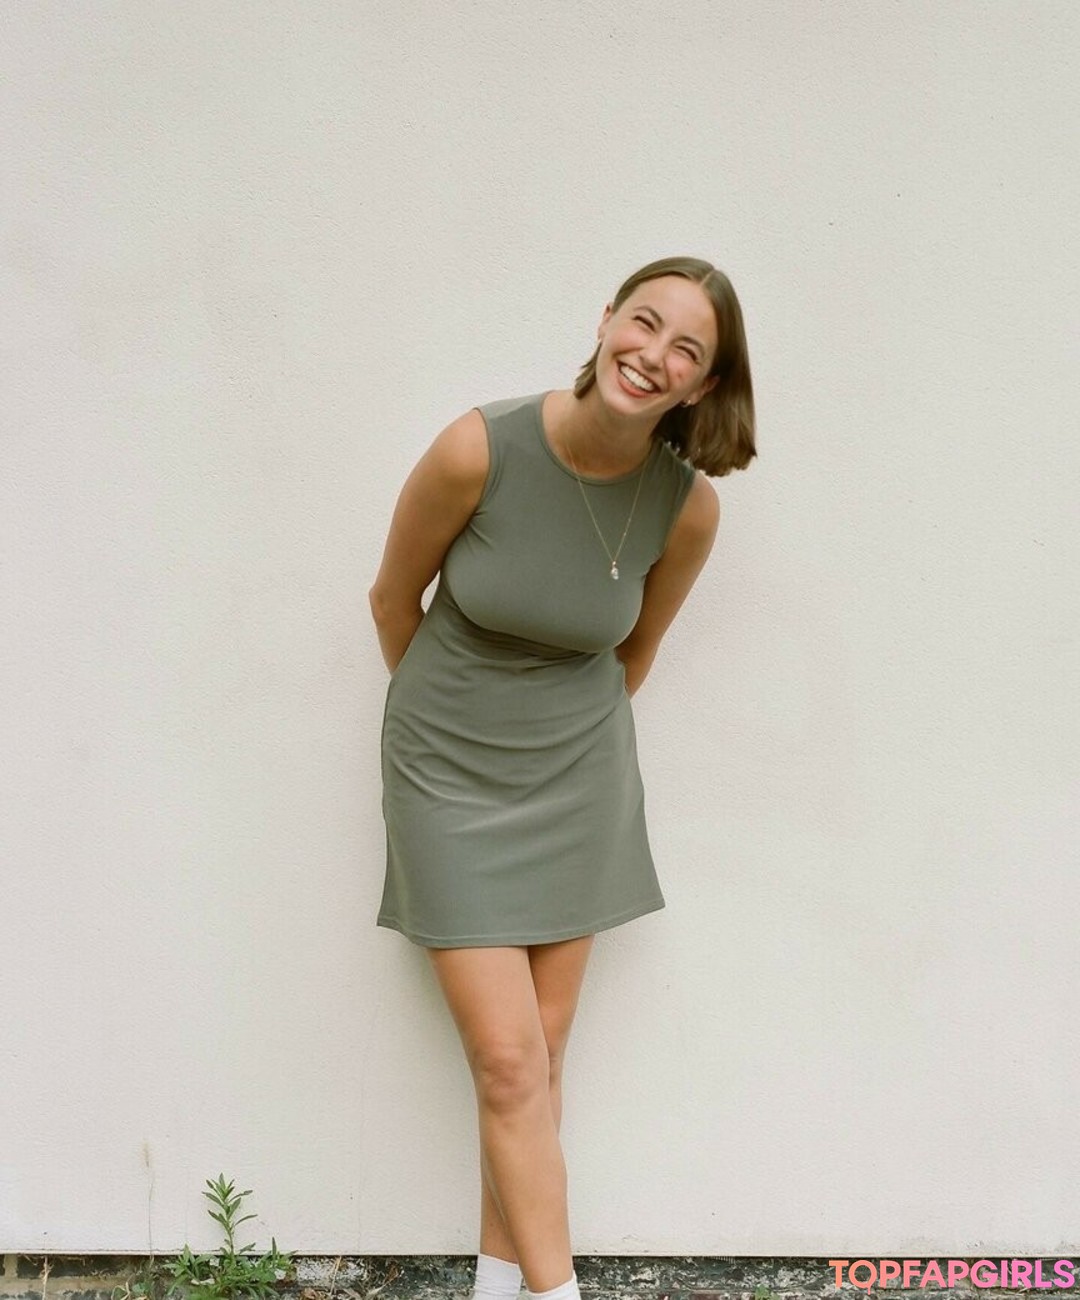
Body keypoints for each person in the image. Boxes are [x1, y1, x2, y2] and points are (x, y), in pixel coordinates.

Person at [368, 256, 756, 1300]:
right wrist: (454, 728)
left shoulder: (687, 509)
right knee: (508, 1060)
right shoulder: (478, 448)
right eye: (646, 322)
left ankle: (501, 1287)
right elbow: (393, 600)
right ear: (605, 319)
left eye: (688, 349)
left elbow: (635, 652)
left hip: (578, 779)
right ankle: (558, 1291)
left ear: (704, 385)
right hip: (446, 772)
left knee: (537, 1055)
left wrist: (558, 741)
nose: (655, 355)